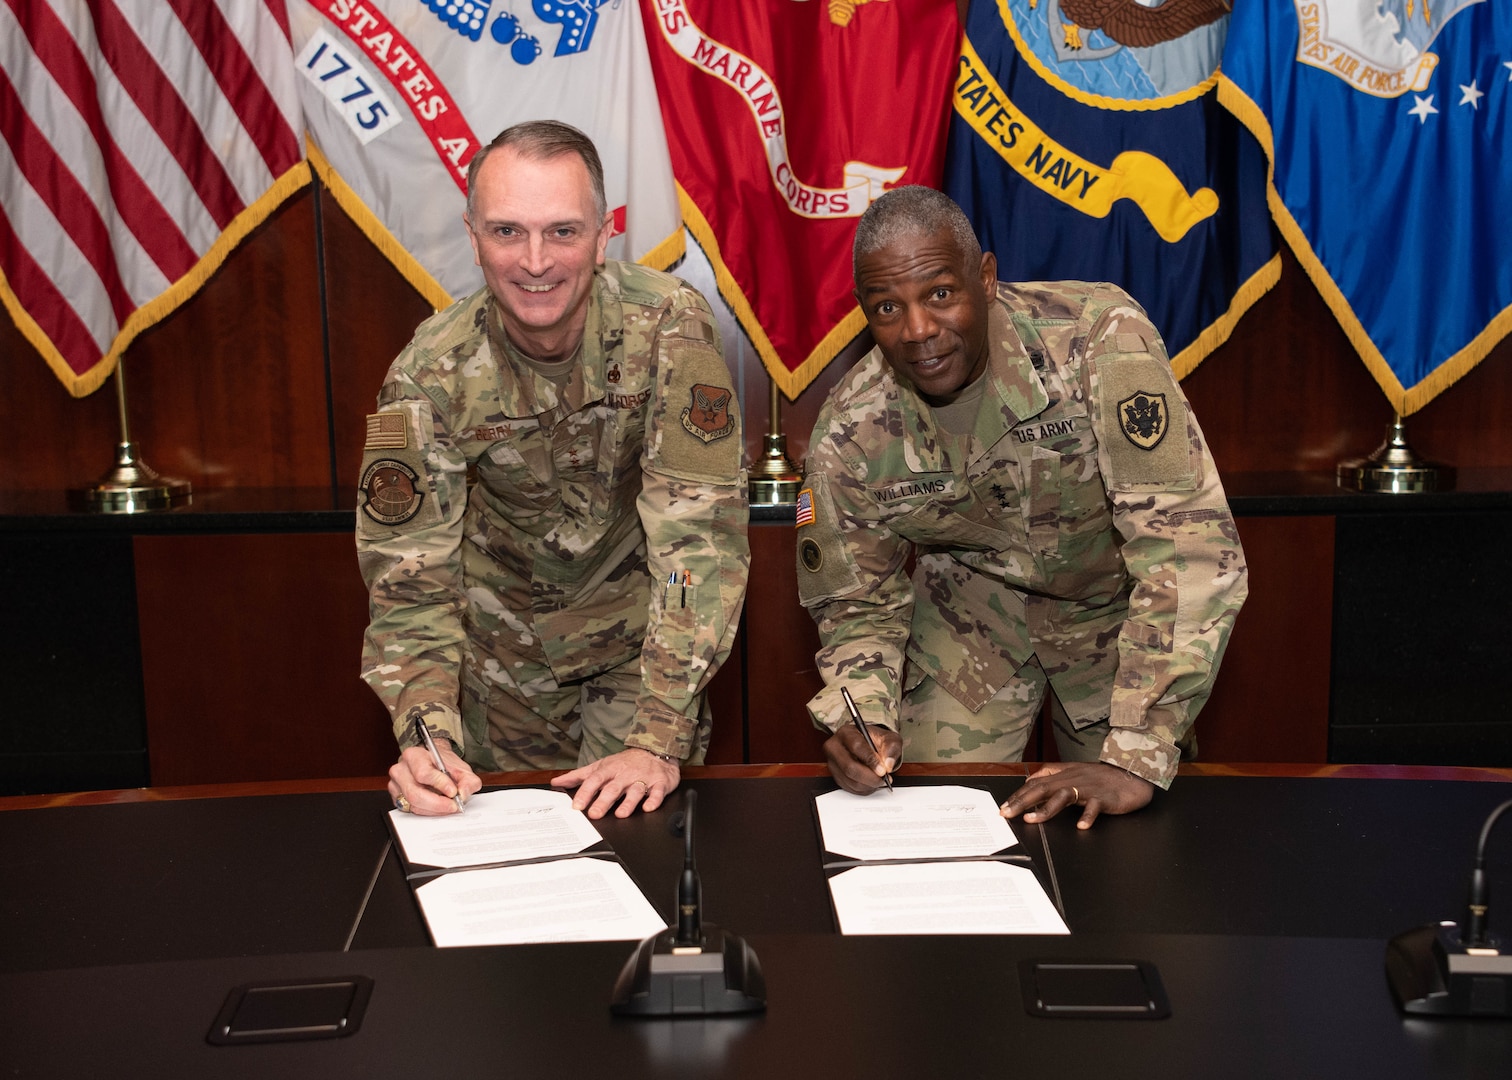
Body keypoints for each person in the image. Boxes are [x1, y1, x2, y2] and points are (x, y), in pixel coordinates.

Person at [797, 186, 1246, 829]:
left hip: (1115, 614)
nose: (917, 330)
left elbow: (1191, 549)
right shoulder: (852, 426)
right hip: (969, 621)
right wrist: (861, 715)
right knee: (931, 828)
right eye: (888, 307)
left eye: (941, 294)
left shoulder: (1097, 339)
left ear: (986, 276)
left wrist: (1137, 753)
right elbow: (852, 598)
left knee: (1132, 839)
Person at [358, 121, 749, 819]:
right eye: (507, 232)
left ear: (604, 237)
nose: (535, 261)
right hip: (500, 672)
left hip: (645, 655)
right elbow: (410, 584)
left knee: (643, 859)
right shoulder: (426, 376)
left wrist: (658, 736)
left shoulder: (669, 327)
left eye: (563, 232)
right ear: (473, 238)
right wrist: (427, 734)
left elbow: (699, 544)